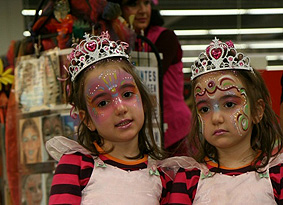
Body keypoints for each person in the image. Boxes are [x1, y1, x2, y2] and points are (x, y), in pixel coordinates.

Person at [45, 31, 172, 204]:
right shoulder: (76, 166)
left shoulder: (163, 175)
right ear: (87, 119)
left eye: (127, 94)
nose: (120, 108)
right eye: (103, 103)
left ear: (142, 98)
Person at [167, 38, 283, 204]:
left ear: (257, 111)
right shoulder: (188, 179)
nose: (216, 118)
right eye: (205, 109)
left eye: (229, 104)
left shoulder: (277, 174)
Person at [106, 0, 192, 156]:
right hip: (139, 129)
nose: (142, 10)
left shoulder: (166, 38)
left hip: (174, 130)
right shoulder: (114, 41)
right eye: (134, 4)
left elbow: (141, 80)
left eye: (146, 3)